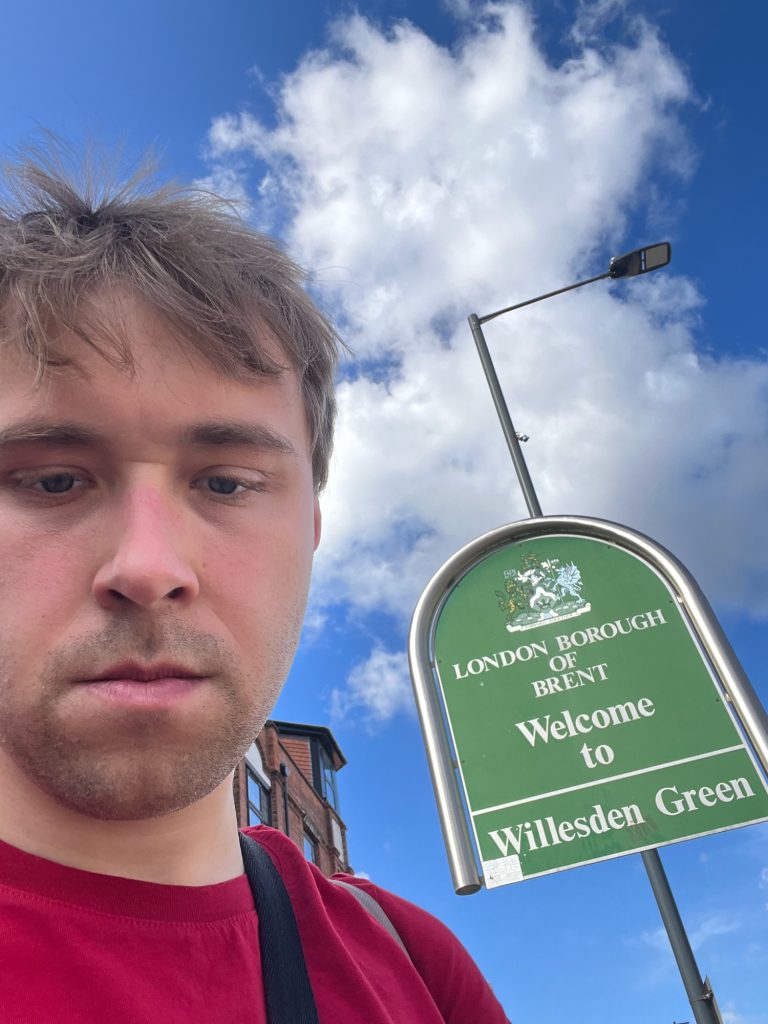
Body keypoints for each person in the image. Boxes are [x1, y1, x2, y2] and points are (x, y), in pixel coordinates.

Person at [0, 146, 510, 1023]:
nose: (151, 568)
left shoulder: (414, 969)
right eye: (52, 480)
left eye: (227, 482)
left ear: (311, 531)